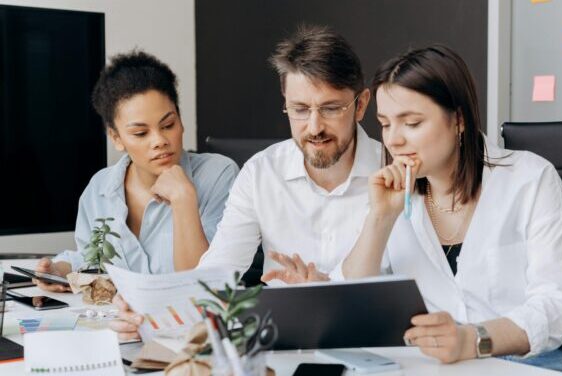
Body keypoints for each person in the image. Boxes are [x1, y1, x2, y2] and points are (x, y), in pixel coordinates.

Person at [335, 45, 562, 375]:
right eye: (385, 124)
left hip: (559, 354)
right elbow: (352, 301)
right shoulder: (393, 193)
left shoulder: (530, 179)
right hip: (462, 363)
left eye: (411, 123)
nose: (393, 140)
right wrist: (380, 218)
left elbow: (559, 303)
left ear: (458, 120)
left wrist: (473, 339)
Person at [110, 25, 382, 340]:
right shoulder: (261, 172)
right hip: (281, 344)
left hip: (380, 347)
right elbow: (215, 278)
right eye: (299, 110)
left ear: (360, 105)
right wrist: (145, 310)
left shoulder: (396, 173)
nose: (314, 127)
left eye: (331, 109)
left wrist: (327, 294)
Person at [34, 50, 239, 292]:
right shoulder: (100, 188)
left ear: (180, 121)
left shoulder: (218, 174)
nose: (159, 140)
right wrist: (60, 271)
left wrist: (184, 199)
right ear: (116, 138)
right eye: (141, 133)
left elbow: (201, 287)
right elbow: (94, 259)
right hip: (121, 325)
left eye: (168, 125)